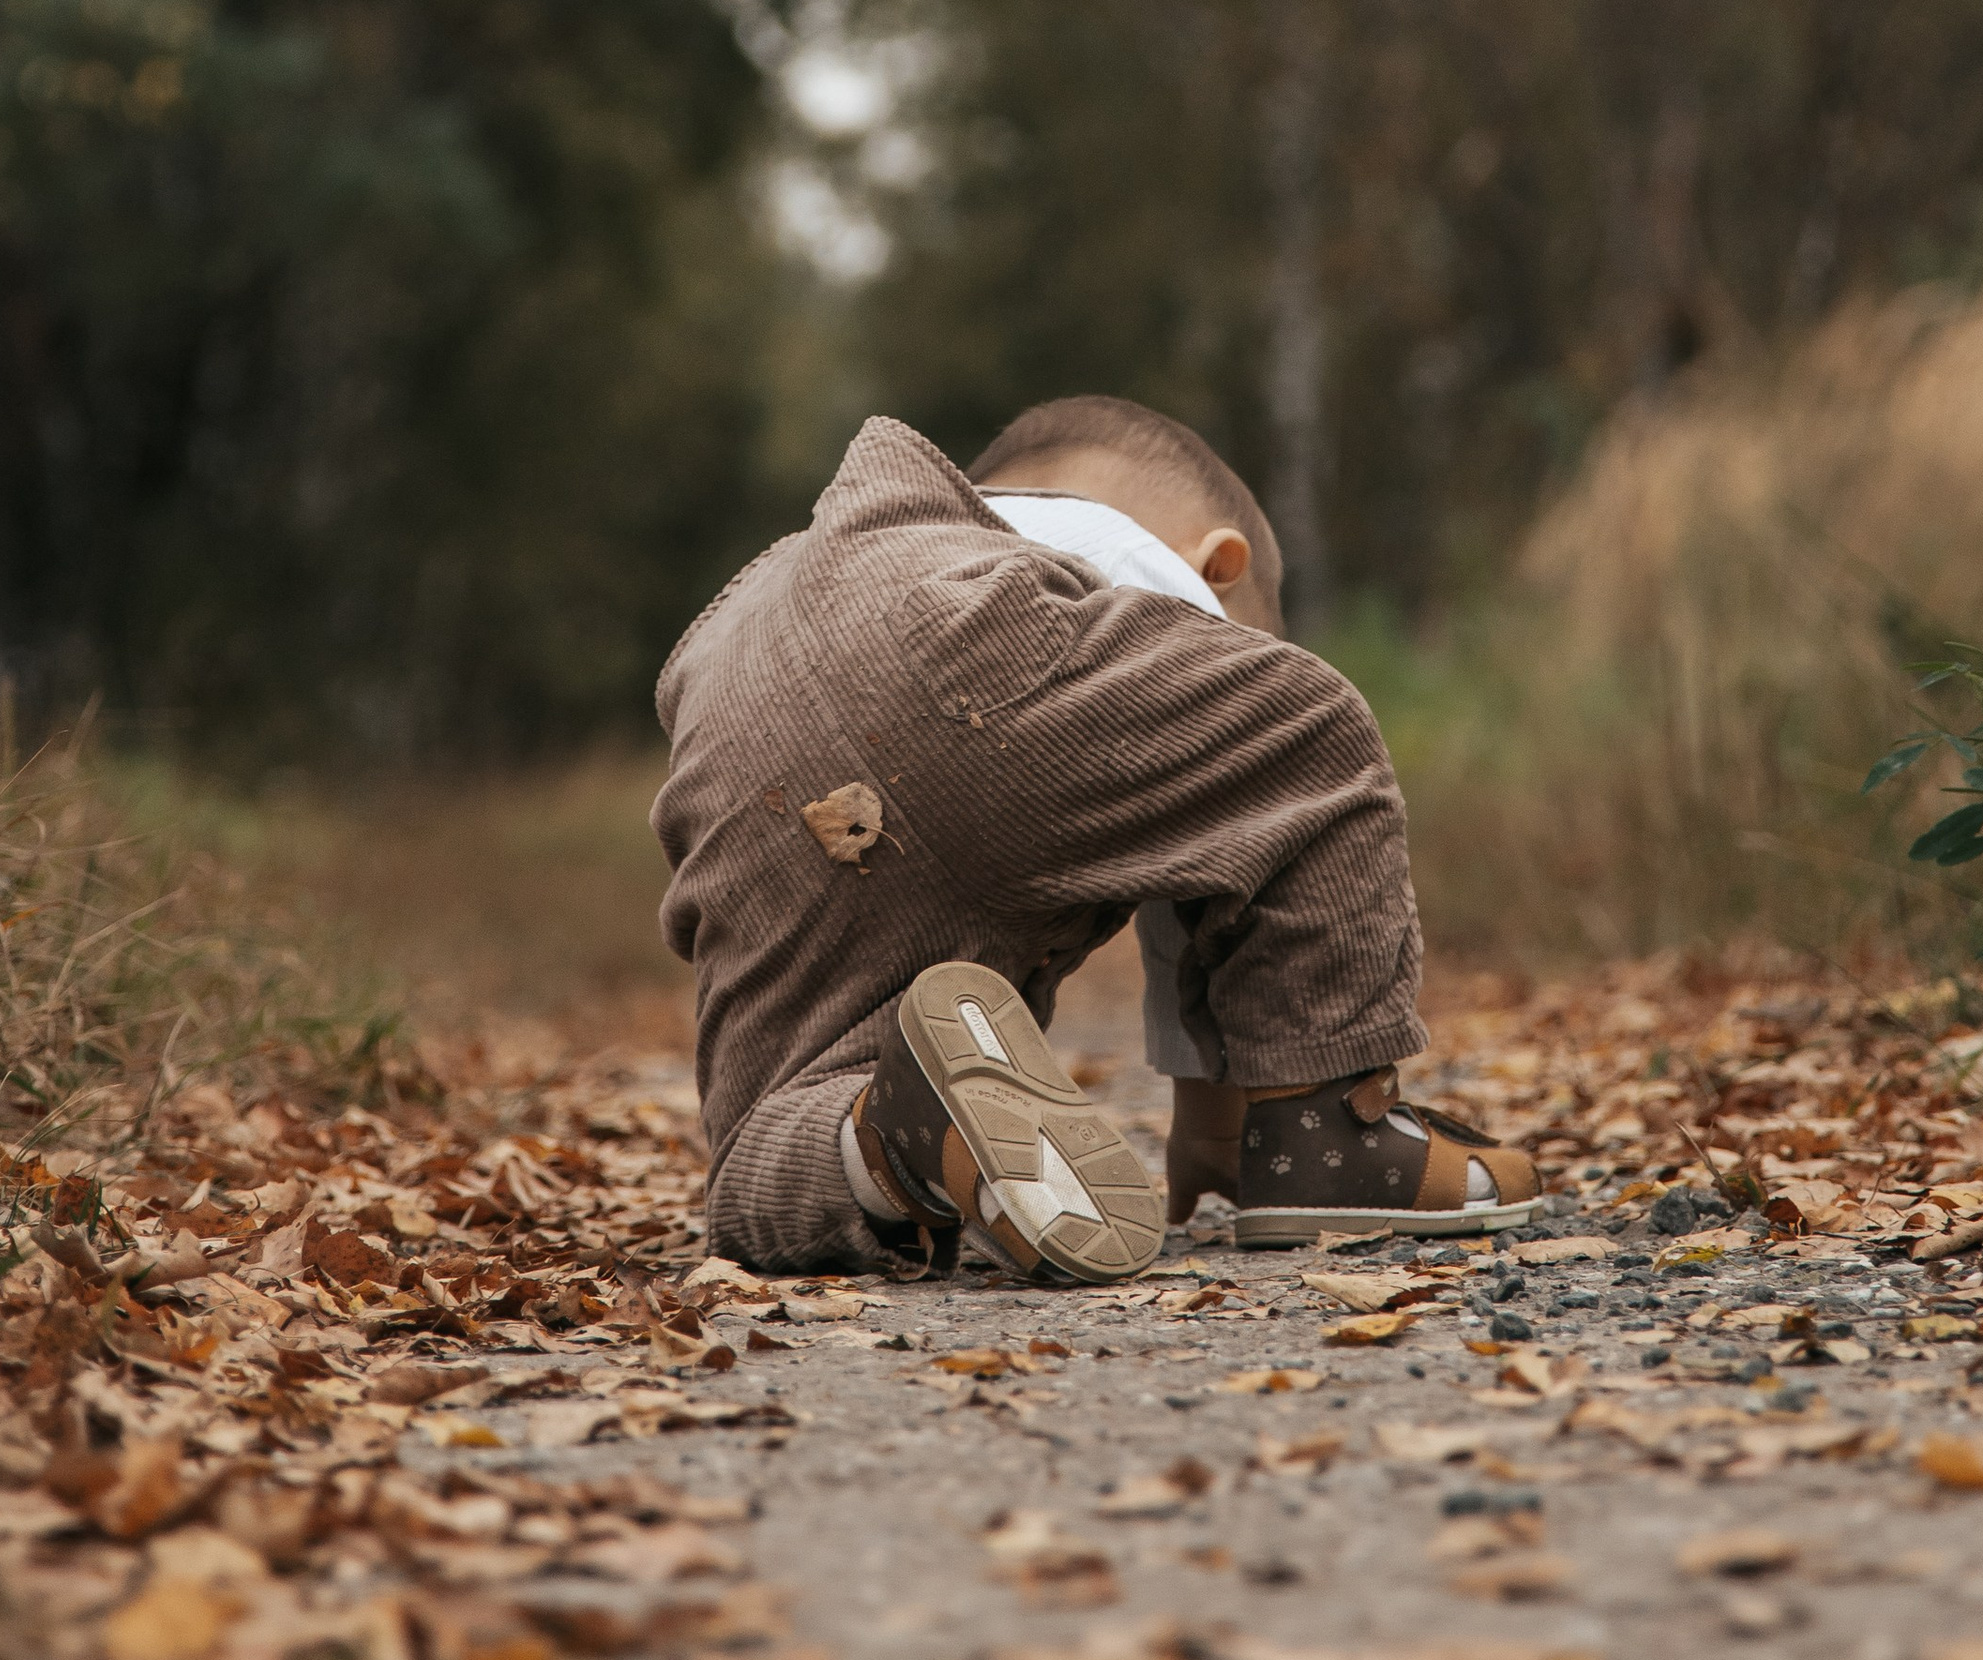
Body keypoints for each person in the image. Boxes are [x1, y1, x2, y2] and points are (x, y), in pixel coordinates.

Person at [652, 395, 1540, 1280]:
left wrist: (1215, 1126)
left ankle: (892, 1134)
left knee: (775, 1110)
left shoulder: (901, 538)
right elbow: (1226, 839)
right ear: (1219, 563)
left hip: (731, 742)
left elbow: (1186, 862)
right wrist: (1264, 1109)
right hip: (954, 647)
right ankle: (1333, 1133)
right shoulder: (1097, 551)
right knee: (1306, 730)